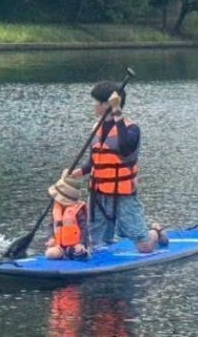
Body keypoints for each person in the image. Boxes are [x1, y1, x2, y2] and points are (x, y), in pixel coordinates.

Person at [70, 81, 169, 254]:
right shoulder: (96, 128)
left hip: (123, 194)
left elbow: (125, 147)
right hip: (98, 194)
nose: (93, 106)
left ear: (106, 104)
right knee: (97, 243)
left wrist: (117, 111)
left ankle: (156, 232)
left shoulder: (132, 129)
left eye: (96, 102)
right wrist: (78, 172)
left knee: (144, 248)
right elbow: (95, 160)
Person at [45, 170, 90, 260]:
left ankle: (78, 252)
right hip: (59, 246)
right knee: (50, 254)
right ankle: (63, 253)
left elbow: (84, 229)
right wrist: (51, 238)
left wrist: (81, 243)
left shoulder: (78, 211)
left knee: (79, 254)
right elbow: (51, 226)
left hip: (76, 245)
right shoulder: (56, 209)